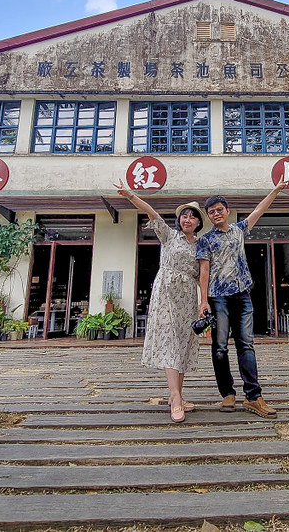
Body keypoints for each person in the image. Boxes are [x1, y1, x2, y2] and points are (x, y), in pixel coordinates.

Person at [196, 177, 288, 418]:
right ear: (208, 216)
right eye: (211, 212)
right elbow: (203, 270)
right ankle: (227, 393)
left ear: (227, 211)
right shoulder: (205, 240)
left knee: (246, 345)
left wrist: (276, 189)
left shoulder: (239, 230)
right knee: (219, 348)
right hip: (218, 298)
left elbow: (259, 209)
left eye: (219, 210)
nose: (216, 214)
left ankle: (253, 397)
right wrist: (203, 300)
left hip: (243, 295)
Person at [115, 180, 204, 423]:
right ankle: (175, 398)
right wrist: (129, 195)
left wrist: (205, 301)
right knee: (170, 342)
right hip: (166, 294)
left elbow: (202, 274)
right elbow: (151, 212)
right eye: (184, 216)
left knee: (183, 344)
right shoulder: (169, 236)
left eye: (192, 217)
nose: (187, 220)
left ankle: (179, 395)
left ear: (198, 223)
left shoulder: (201, 245)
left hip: (187, 297)